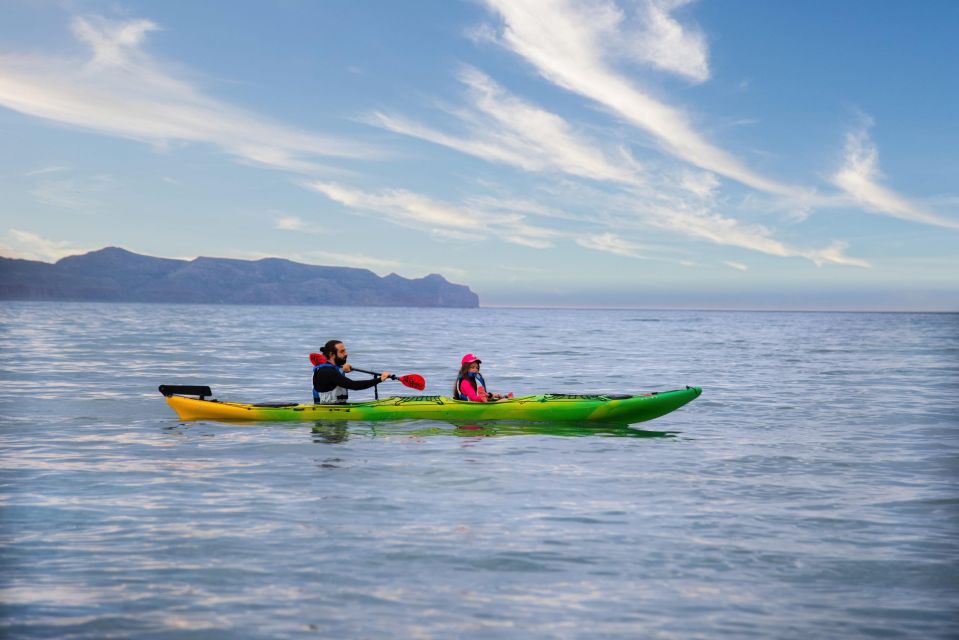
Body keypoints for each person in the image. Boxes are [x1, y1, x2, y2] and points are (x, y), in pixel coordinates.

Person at [313, 339, 390, 404]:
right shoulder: (327, 371)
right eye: (342, 351)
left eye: (345, 351)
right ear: (332, 355)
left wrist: (342, 369)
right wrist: (379, 379)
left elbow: (335, 372)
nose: (346, 354)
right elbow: (354, 385)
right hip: (328, 413)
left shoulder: (332, 368)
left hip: (336, 408)